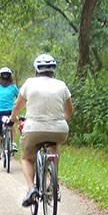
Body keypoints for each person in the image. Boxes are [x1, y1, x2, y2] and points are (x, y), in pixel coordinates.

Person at [9, 54, 74, 207]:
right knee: (54, 145)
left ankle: (31, 189)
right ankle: (53, 180)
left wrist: (14, 118)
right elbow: (70, 111)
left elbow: (17, 106)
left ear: (36, 69)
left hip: (33, 129)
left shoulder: (29, 83)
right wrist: (59, 120)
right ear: (53, 70)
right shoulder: (62, 85)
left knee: (26, 158)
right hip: (59, 129)